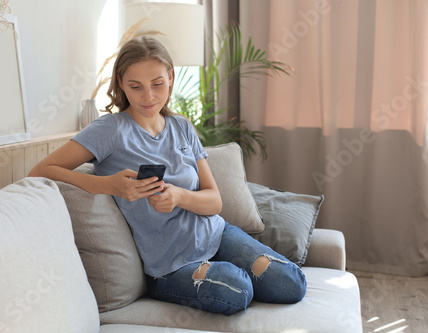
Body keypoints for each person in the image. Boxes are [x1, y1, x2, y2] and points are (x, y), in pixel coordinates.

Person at [28, 36, 306, 315]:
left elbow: (215, 202)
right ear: (121, 82)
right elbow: (42, 170)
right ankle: (216, 279)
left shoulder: (181, 127)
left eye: (157, 84)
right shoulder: (109, 130)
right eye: (135, 86)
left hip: (217, 235)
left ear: (171, 77)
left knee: (290, 284)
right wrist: (107, 185)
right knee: (237, 290)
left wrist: (179, 196)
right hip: (170, 265)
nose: (148, 97)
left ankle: (233, 273)